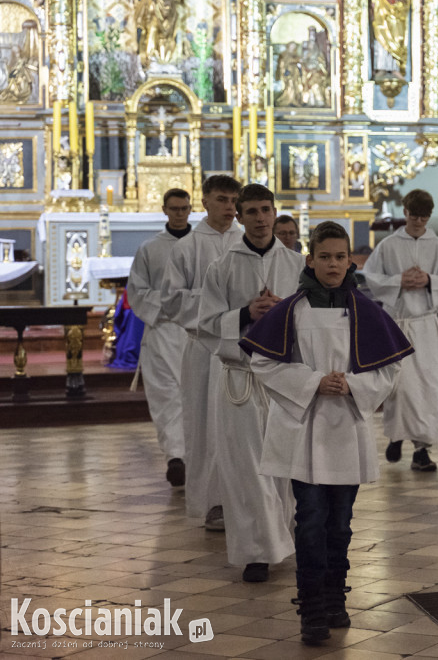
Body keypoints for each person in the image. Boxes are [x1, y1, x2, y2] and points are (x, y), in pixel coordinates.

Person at [242, 222, 412, 646]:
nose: (333, 265)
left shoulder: (366, 311)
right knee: (311, 519)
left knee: (341, 521)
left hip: (346, 426)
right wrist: (313, 381)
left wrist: (354, 385)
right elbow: (261, 363)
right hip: (303, 426)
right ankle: (312, 608)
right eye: (325, 257)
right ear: (310, 259)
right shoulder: (291, 311)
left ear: (350, 260)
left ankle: (337, 596)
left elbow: (390, 367)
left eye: (340, 257)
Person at [198, 183, 304, 582]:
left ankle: (288, 540)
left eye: (266, 210)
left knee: (285, 466)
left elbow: (311, 325)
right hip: (239, 381)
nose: (261, 219)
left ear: (275, 213)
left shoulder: (297, 266)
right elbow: (205, 326)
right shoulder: (221, 267)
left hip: (284, 381)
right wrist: (245, 313)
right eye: (252, 212)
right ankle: (257, 552)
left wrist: (282, 316)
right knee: (246, 468)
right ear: (238, 217)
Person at [161, 175, 243, 530]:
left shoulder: (250, 242)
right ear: (205, 201)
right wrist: (218, 303)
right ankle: (213, 502)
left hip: (244, 349)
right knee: (205, 426)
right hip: (205, 349)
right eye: (222, 200)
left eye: (233, 200)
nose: (229, 207)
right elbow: (171, 300)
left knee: (244, 430)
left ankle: (247, 498)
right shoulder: (187, 248)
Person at [363, 189, 438, 471]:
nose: (418, 221)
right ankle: (396, 436)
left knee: (428, 386)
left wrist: (429, 280)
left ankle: (422, 449)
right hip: (398, 323)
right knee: (399, 387)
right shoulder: (389, 245)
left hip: (425, 324)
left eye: (423, 217)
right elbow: (371, 276)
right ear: (405, 213)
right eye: (413, 215)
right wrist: (398, 281)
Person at [126, 187, 192, 487]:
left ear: (191, 210)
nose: (179, 213)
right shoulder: (150, 249)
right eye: (174, 208)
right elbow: (136, 291)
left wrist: (188, 305)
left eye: (184, 208)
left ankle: (197, 457)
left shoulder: (201, 245)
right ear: (164, 210)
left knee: (194, 398)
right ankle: (175, 457)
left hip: (195, 332)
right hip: (163, 331)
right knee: (167, 398)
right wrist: (169, 305)